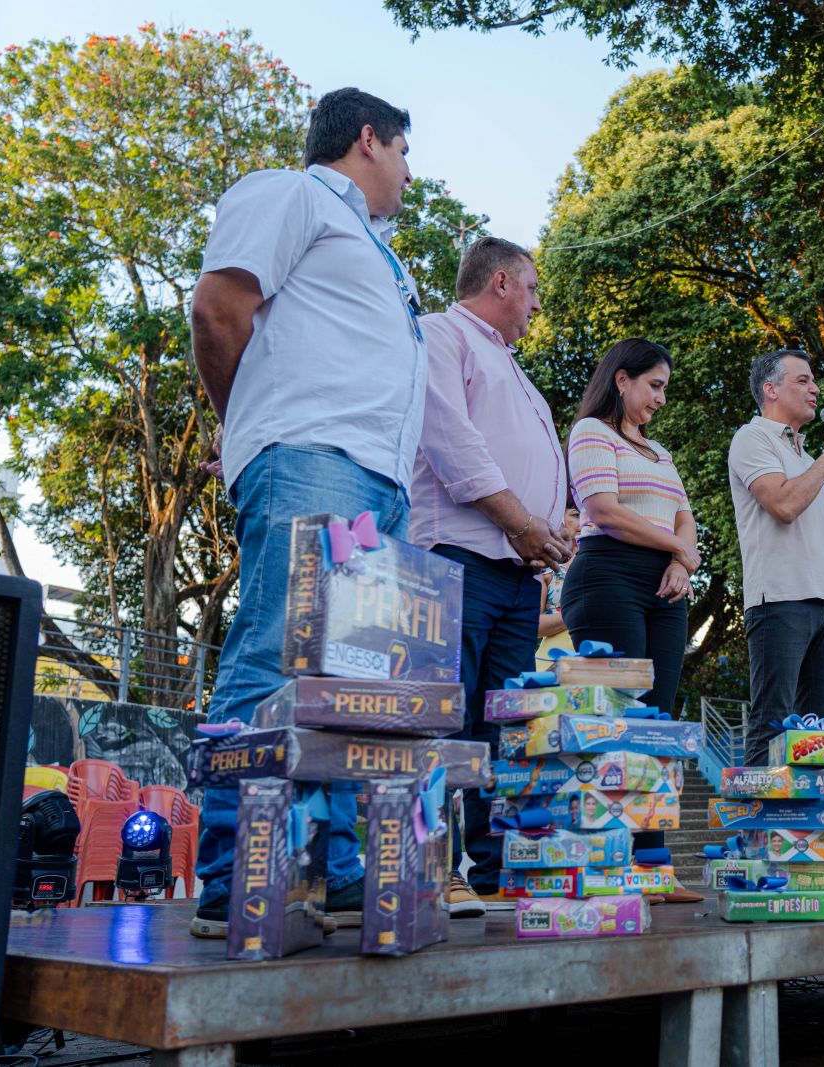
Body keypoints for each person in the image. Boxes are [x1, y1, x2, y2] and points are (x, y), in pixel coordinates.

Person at [187, 88, 424, 938]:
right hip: (311, 458)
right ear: (368, 139)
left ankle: (339, 874)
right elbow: (219, 310)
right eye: (403, 151)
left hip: (376, 484)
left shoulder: (380, 250)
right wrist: (245, 421)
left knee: (357, 683)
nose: (408, 172)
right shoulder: (287, 194)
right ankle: (228, 877)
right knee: (275, 654)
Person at [411, 235, 572, 914]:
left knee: (503, 724)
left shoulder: (513, 366)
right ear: (502, 282)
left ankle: (494, 865)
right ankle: (433, 865)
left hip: (517, 571)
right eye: (533, 289)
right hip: (459, 556)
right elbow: (452, 441)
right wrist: (522, 521)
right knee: (446, 715)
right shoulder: (440, 334)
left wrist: (555, 519)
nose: (537, 305)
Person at [561, 339, 704, 902]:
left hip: (664, 586)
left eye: (664, 387)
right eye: (655, 386)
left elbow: (685, 518)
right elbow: (603, 510)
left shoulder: (660, 454)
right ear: (622, 380)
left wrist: (678, 560)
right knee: (619, 722)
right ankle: (603, 863)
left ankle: (654, 866)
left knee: (659, 724)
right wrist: (680, 549)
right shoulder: (591, 432)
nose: (661, 399)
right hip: (606, 579)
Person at [728, 350, 824, 766]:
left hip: (823, 608)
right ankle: (757, 829)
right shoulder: (752, 437)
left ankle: (809, 829)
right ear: (771, 389)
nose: (815, 389)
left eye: (813, 381)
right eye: (802, 380)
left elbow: (814, 538)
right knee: (773, 724)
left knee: (820, 731)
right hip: (778, 602)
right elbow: (783, 505)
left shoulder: (805, 458)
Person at [535, 503, 582, 670]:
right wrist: (578, 614)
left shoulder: (609, 564)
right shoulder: (546, 568)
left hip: (599, 659)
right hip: (552, 661)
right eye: (576, 515)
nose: (583, 520)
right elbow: (534, 624)